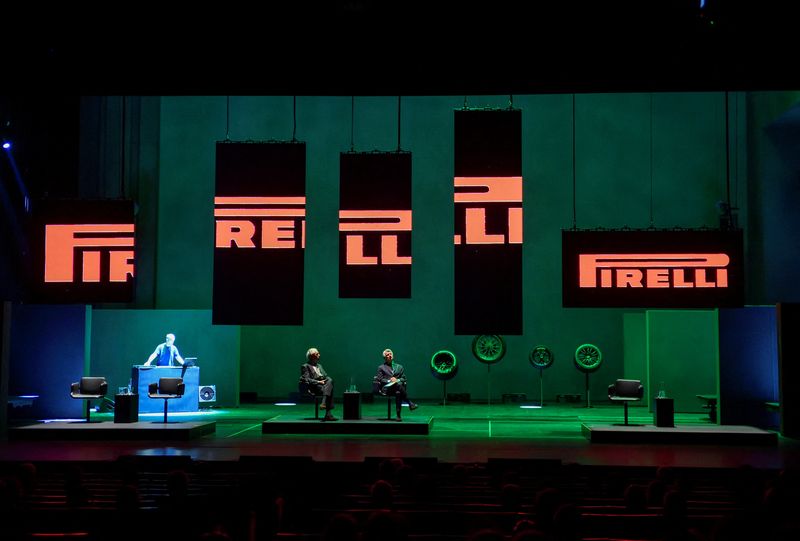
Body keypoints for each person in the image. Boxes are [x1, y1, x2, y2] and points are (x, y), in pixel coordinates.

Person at [374, 349, 418, 421]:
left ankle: (398, 416)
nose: (389, 356)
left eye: (390, 354)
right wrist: (389, 380)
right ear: (384, 358)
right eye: (387, 355)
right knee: (398, 386)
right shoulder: (381, 367)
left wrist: (397, 380)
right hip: (387, 389)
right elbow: (380, 379)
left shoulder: (399, 367)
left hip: (397, 388)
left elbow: (404, 378)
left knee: (398, 391)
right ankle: (410, 403)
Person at [300, 347, 337, 421]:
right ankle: (328, 414)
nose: (319, 355)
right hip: (315, 386)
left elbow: (326, 376)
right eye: (317, 354)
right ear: (311, 356)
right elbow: (306, 379)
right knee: (329, 388)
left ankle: (324, 403)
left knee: (330, 381)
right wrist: (318, 382)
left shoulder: (319, 366)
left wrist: (325, 380)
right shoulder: (305, 366)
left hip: (323, 385)